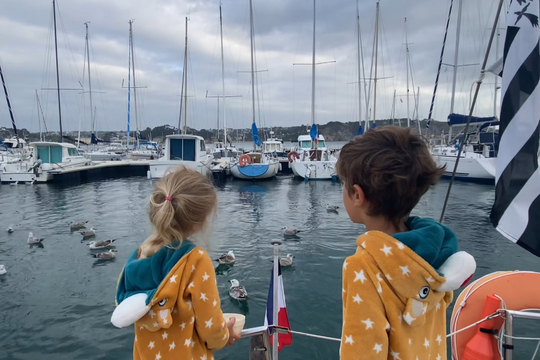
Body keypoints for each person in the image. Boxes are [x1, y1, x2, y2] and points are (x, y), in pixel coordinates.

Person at [336, 127, 475, 360]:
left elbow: (362, 349)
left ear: (357, 195)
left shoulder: (363, 265)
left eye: (343, 183)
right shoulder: (437, 252)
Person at [113, 167, 240, 360]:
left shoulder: (139, 257)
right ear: (200, 220)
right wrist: (224, 335)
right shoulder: (196, 260)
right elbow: (210, 328)